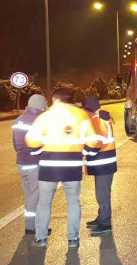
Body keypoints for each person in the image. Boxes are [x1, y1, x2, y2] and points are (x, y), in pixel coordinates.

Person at [25, 88, 100, 248]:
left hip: (48, 165)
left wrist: (41, 146)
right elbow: (94, 142)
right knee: (73, 202)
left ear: (55, 100)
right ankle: (73, 239)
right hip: (72, 166)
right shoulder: (81, 115)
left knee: (44, 203)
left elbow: (31, 141)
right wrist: (84, 150)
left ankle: (41, 237)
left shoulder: (45, 116)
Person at [11, 94, 48, 235]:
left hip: (21, 162)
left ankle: (30, 224)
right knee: (35, 195)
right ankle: (33, 227)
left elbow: (15, 144)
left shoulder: (18, 120)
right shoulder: (39, 121)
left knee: (28, 194)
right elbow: (41, 143)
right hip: (34, 162)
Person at [83, 96, 117, 234]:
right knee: (102, 194)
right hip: (104, 163)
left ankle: (105, 223)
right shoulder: (101, 118)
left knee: (102, 195)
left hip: (103, 163)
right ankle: (101, 218)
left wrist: (84, 152)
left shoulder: (98, 120)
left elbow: (97, 142)